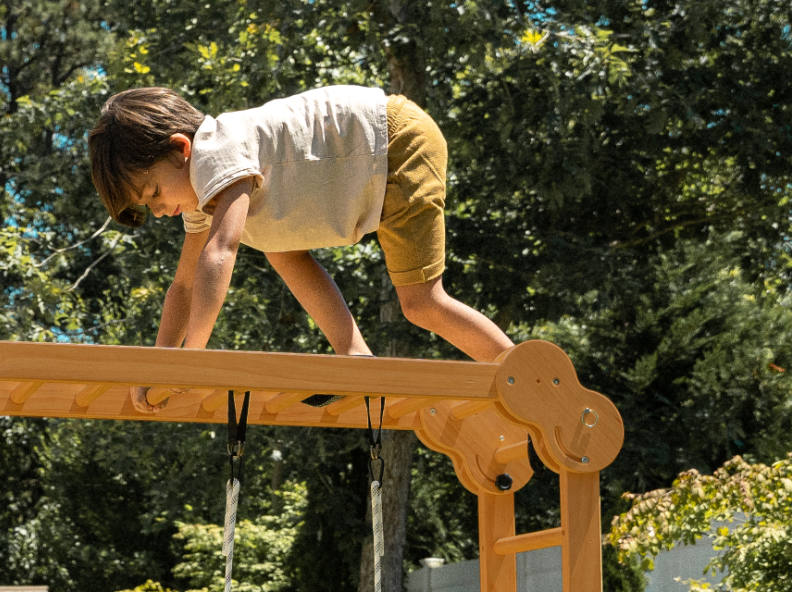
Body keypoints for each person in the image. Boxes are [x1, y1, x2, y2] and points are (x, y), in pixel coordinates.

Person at [86, 84, 515, 413]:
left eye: (154, 192)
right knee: (279, 246)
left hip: (394, 145)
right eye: (148, 205)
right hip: (365, 172)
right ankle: (354, 353)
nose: (160, 211)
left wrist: (191, 357)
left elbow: (222, 251)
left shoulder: (216, 148)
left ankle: (522, 375)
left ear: (181, 149)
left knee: (422, 302)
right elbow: (182, 287)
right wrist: (158, 364)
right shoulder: (201, 196)